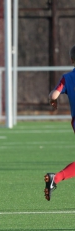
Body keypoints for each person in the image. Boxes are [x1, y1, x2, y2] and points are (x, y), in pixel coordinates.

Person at [44, 44, 75, 201]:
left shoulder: (67, 77)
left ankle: (55, 178)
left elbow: (54, 95)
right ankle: (56, 178)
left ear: (72, 60)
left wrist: (53, 102)